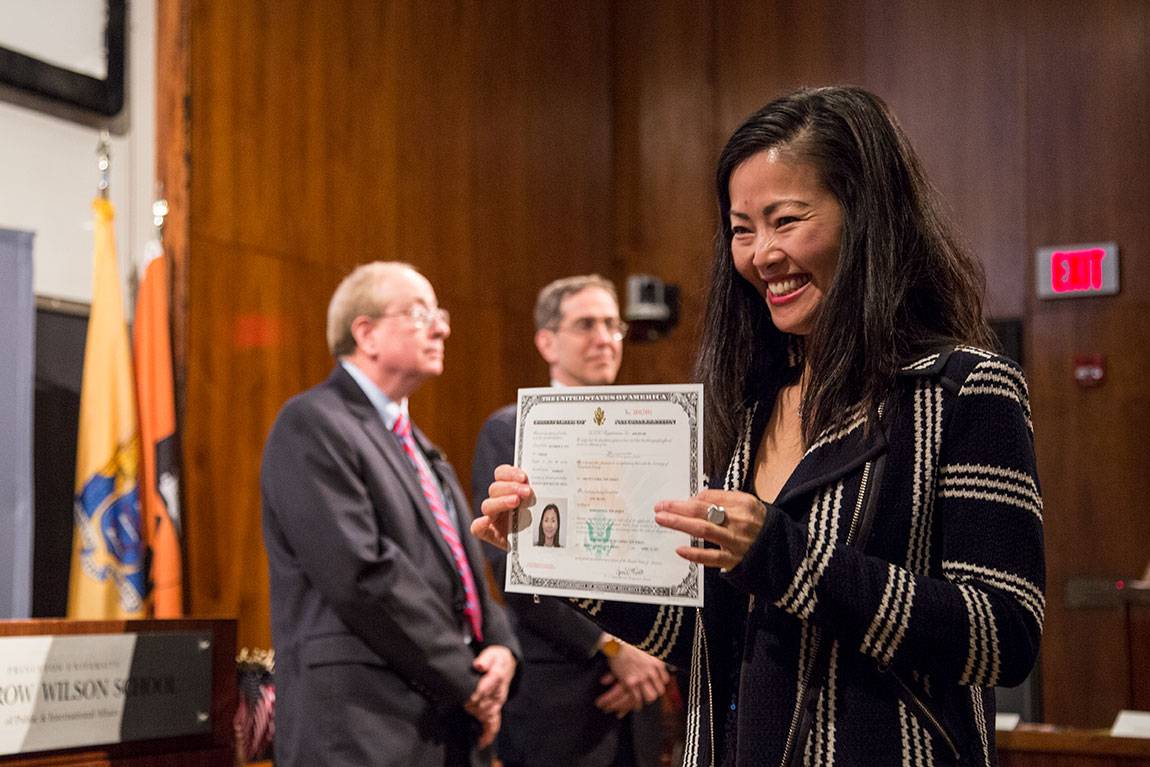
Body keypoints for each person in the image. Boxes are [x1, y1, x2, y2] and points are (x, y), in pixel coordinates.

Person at [475, 87, 1045, 766]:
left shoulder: (962, 387)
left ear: (868, 216)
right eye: (743, 229)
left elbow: (1003, 635)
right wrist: (561, 554)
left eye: (786, 219)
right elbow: (715, 637)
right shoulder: (749, 404)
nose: (762, 254)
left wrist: (783, 555)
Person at [262, 261, 519, 767]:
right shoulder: (312, 424)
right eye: (421, 313)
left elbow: (463, 569)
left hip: (439, 719)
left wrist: (501, 647)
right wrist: (468, 678)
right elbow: (364, 574)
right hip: (359, 727)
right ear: (367, 333)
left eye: (440, 314)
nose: (443, 327)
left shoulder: (421, 447)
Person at [471, 274, 670, 767]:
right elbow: (512, 567)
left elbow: (668, 554)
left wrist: (652, 655)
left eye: (611, 325)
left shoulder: (655, 428)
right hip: (559, 700)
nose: (604, 338)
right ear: (547, 342)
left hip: (641, 698)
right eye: (586, 325)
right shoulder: (511, 429)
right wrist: (612, 649)